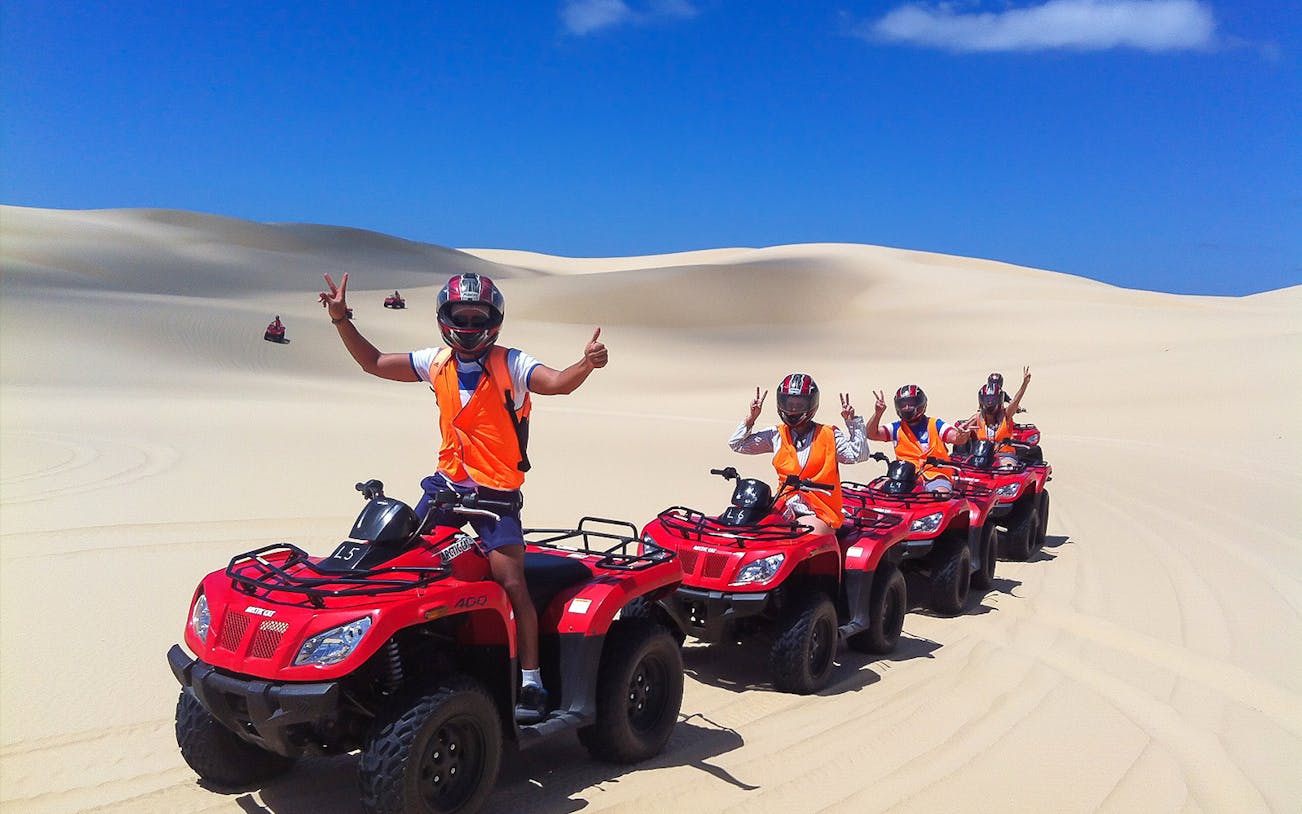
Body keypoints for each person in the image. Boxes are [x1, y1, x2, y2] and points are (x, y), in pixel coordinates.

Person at [318, 270, 608, 723]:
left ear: (493, 321)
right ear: (445, 317)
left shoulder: (513, 363)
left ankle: (531, 681)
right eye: (461, 314)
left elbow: (557, 382)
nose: (469, 324)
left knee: (512, 583)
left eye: (478, 316)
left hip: (497, 494)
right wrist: (341, 320)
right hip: (447, 487)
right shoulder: (436, 362)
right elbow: (373, 362)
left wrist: (586, 363)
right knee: (402, 562)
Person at [728, 374, 868, 536]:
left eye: (799, 404)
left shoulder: (829, 434)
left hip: (820, 511)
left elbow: (859, 455)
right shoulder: (776, 434)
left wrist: (853, 423)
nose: (793, 409)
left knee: (800, 537)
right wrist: (751, 419)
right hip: (783, 505)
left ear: (811, 405)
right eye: (789, 403)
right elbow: (737, 444)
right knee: (751, 528)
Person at [867, 385, 970, 492]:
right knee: (874, 491)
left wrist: (962, 434)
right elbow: (871, 434)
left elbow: (956, 438)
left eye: (910, 404)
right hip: (904, 477)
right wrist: (878, 414)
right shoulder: (896, 428)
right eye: (903, 405)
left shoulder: (935, 425)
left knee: (941, 494)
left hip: (935, 475)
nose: (906, 408)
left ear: (921, 404)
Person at [966, 367, 1031, 465]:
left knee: (1008, 467)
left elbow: (1015, 402)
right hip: (981, 455)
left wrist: (1024, 384)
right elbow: (963, 428)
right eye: (987, 400)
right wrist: (962, 432)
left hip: (1004, 455)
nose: (990, 404)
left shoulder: (1005, 416)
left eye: (993, 400)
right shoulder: (978, 417)